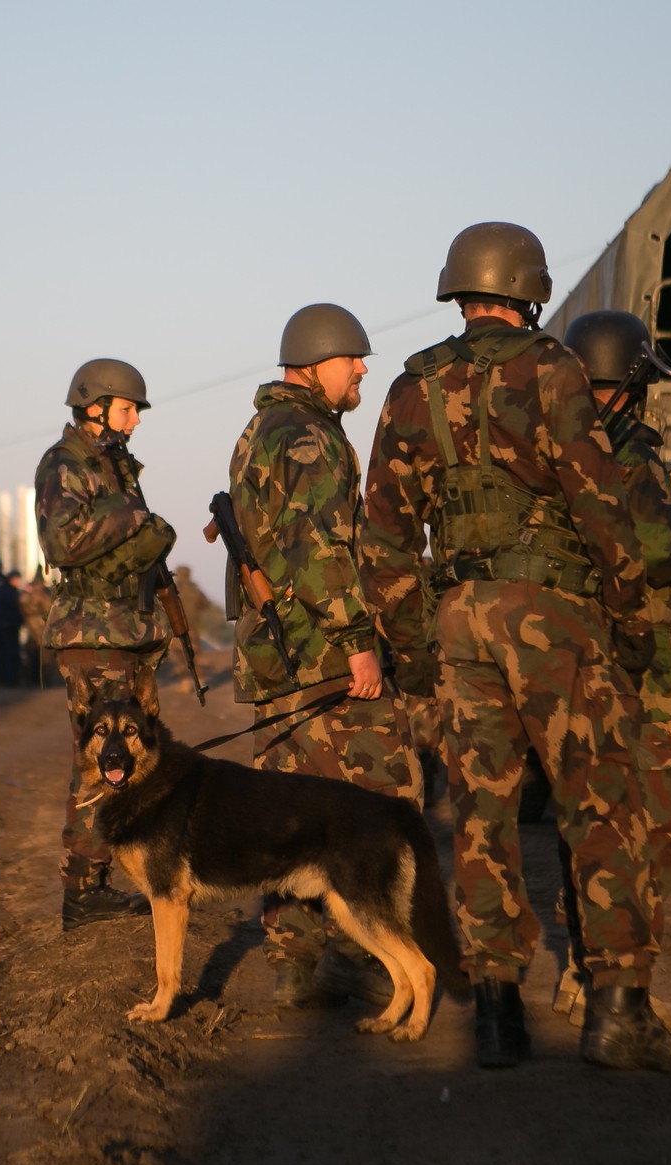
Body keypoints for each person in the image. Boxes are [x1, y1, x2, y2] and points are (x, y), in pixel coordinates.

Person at [361, 222, 671, 1072]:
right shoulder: (552, 369)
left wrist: (412, 652)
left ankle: (496, 1017)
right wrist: (629, 622)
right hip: (552, 616)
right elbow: (602, 509)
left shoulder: (412, 387)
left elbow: (383, 539)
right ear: (529, 290)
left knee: (482, 819)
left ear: (461, 290)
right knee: (604, 807)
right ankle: (617, 1011)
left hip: (459, 622)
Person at [226, 302, 420, 1009]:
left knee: (284, 817)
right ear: (315, 362)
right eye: (353, 359)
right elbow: (319, 553)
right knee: (377, 804)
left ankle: (292, 962)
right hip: (324, 664)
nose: (363, 368)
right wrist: (358, 645)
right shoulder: (311, 438)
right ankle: (362, 945)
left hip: (280, 668)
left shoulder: (259, 430)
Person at [553, 310, 671, 1027]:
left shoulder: (556, 451)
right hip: (642, 675)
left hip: (577, 671)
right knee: (660, 829)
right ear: (631, 382)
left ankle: (587, 976)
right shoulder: (627, 456)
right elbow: (658, 550)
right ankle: (617, 985)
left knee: (591, 822)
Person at [34, 358, 176, 930]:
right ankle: (84, 889)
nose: (136, 419)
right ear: (95, 406)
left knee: (125, 757)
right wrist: (132, 515)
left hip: (120, 628)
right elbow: (62, 542)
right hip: (92, 633)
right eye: (127, 408)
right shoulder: (65, 463)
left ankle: (99, 880)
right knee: (99, 759)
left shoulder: (111, 463)